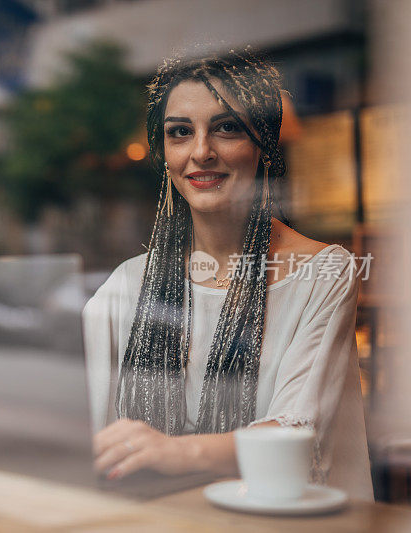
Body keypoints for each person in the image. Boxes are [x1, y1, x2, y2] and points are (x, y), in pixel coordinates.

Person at [82, 48, 373, 501]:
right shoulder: (125, 285)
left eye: (227, 128)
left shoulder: (324, 272)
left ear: (265, 146)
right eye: (180, 133)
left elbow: (298, 432)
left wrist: (172, 452)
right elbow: (93, 436)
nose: (201, 152)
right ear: (164, 154)